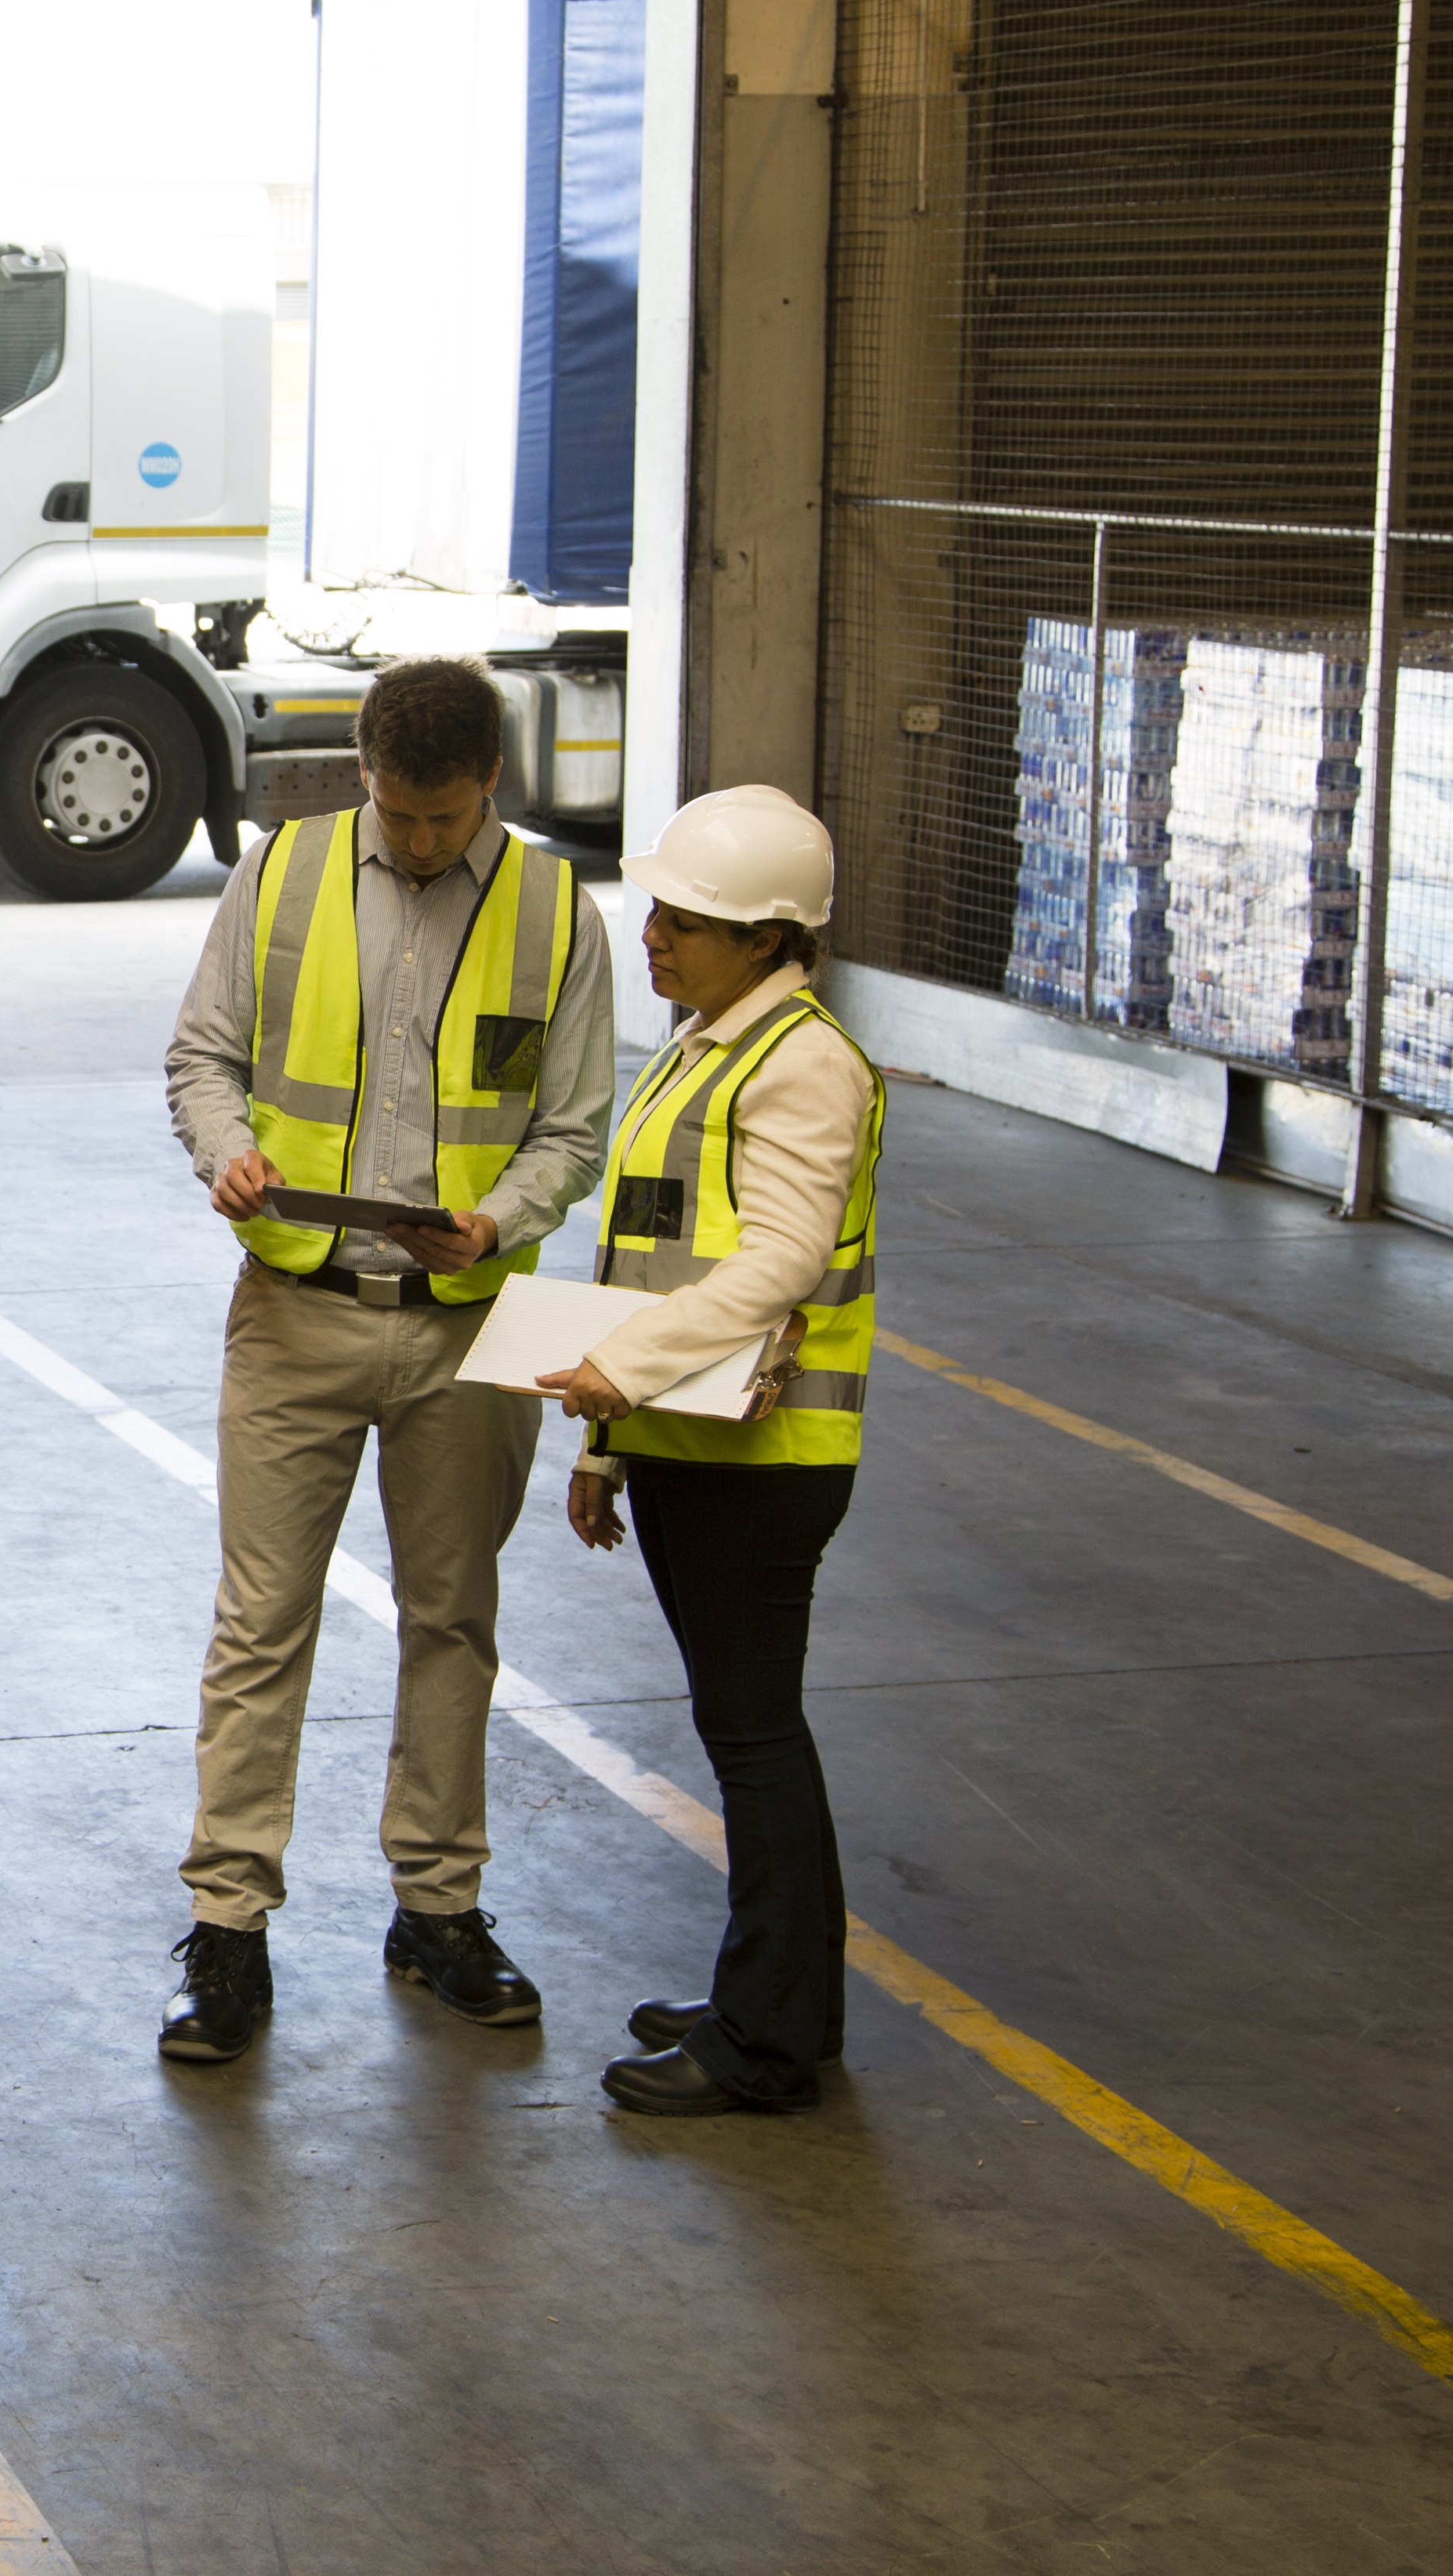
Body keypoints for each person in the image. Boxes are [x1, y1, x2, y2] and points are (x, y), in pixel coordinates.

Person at [157, 658, 614, 2064]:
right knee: (261, 1625)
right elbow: (202, 1057)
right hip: (295, 1313)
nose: (422, 846)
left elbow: (577, 1125)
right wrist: (228, 1154)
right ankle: (229, 1931)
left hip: (468, 1327)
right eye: (400, 816)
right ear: (362, 768)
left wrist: (506, 1221)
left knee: (453, 1621)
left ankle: (438, 1906)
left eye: (449, 821)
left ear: (494, 786)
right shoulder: (281, 877)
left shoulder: (555, 911)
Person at [529, 783, 882, 2118]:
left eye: (685, 920)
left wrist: (628, 1373)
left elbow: (783, 1261)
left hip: (764, 1461)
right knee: (746, 1732)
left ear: (766, 938)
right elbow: (651, 1255)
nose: (655, 935)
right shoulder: (706, 1045)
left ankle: (769, 2039)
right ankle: (778, 1995)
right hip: (690, 1442)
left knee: (755, 1738)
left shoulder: (800, 1062)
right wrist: (611, 1443)